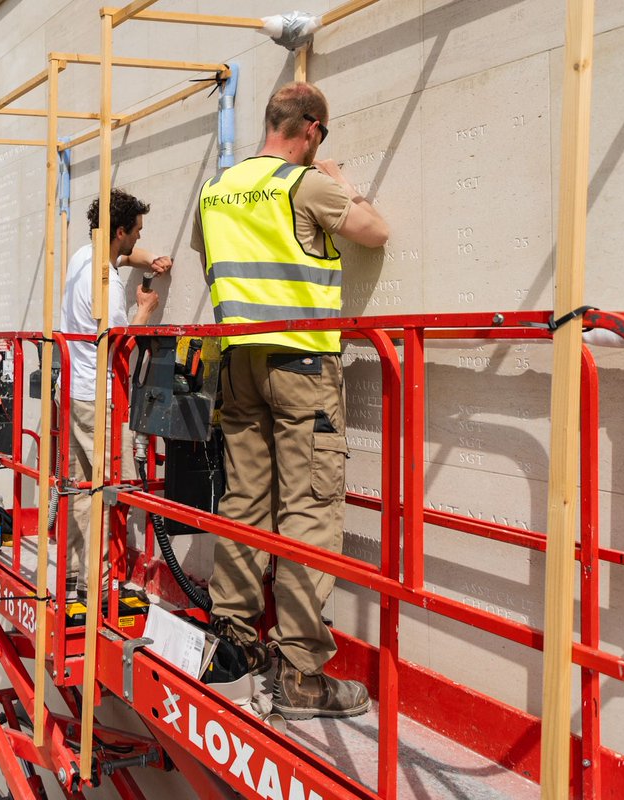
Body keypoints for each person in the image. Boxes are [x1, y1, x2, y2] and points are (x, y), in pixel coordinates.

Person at [191, 82, 389, 719]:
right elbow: (375, 232)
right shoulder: (304, 182)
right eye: (319, 139)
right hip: (301, 365)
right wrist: (342, 180)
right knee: (310, 508)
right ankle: (302, 675)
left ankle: (237, 643)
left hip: (239, 365)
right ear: (310, 128)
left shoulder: (217, 191)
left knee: (245, 500)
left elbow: (213, 258)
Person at [61, 188, 172, 603]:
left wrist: (151, 260)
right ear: (120, 230)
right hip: (98, 397)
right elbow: (118, 345)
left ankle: (73, 580)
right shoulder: (104, 286)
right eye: (136, 233)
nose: (138, 241)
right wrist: (143, 309)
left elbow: (123, 258)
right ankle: (100, 585)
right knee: (105, 492)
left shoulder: (82, 259)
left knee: (77, 488)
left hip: (72, 390)